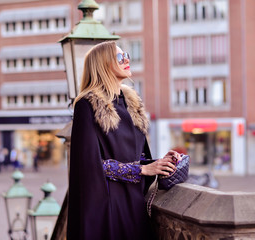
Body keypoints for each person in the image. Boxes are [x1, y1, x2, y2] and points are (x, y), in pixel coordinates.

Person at [66, 41, 181, 240]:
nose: (126, 59)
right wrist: (142, 170)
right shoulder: (87, 105)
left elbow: (135, 157)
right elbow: (87, 166)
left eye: (126, 55)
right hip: (107, 207)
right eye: (119, 57)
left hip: (134, 204)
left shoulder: (131, 104)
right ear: (103, 64)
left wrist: (157, 164)